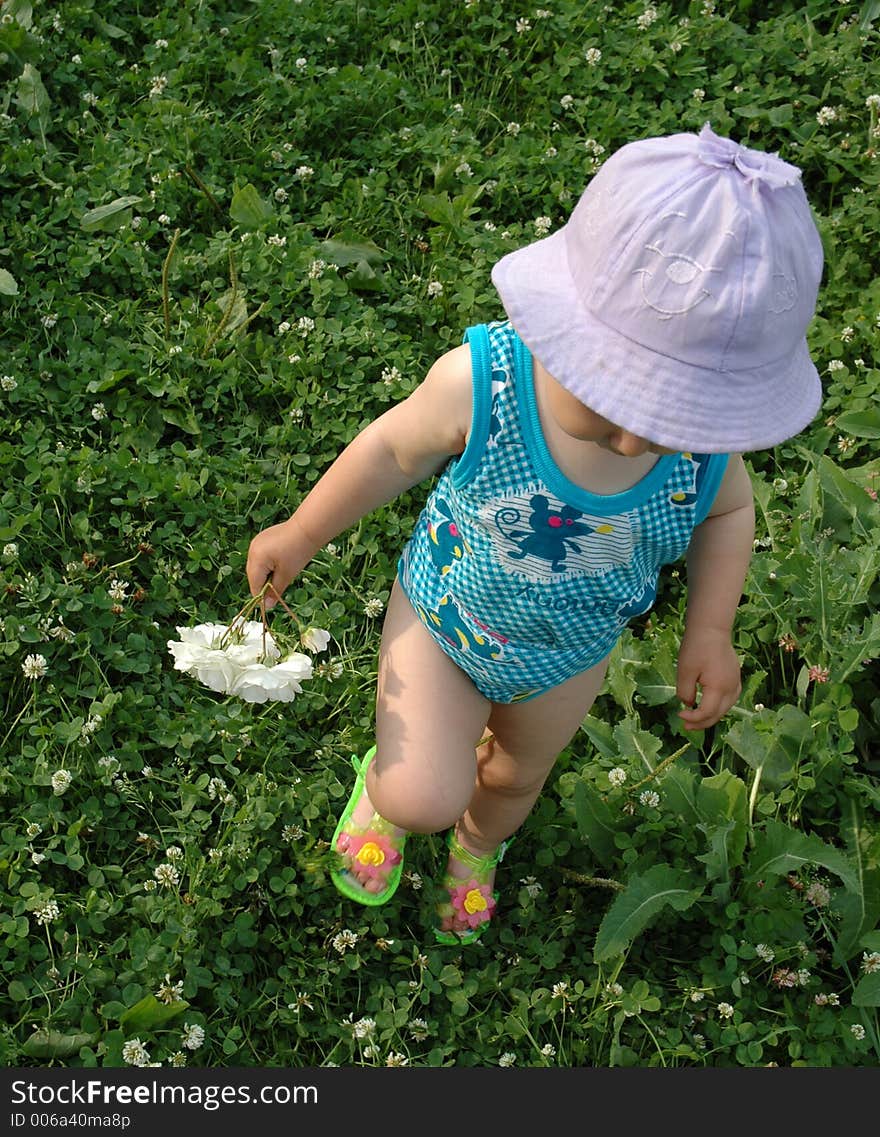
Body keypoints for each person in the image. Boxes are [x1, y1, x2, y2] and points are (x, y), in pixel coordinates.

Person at [246, 123, 824, 944]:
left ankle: (479, 849)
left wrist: (712, 629)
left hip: (569, 653)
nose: (633, 442)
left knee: (516, 778)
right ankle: (385, 793)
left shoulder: (700, 458)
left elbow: (729, 515)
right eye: (610, 401)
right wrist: (304, 532)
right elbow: (390, 449)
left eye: (667, 423)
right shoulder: (486, 383)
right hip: (448, 615)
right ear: (562, 326)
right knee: (423, 795)